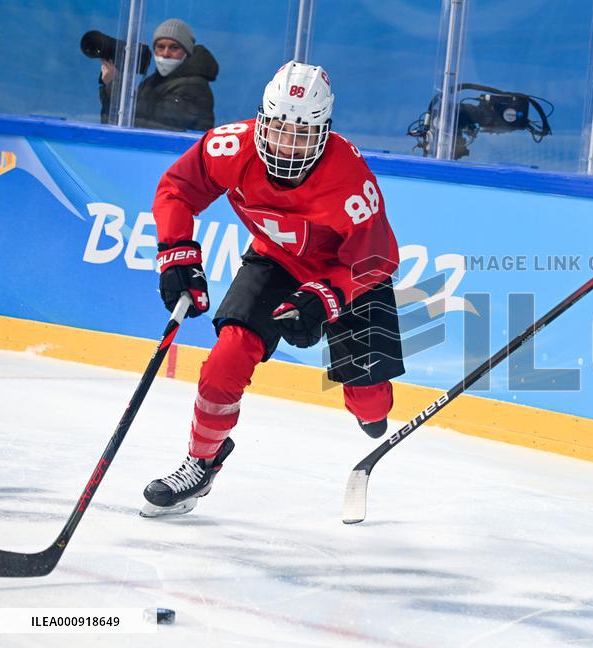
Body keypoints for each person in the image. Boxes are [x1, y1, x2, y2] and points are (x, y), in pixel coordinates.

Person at [141, 60, 404, 517]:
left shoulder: (350, 180)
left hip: (346, 272)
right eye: (280, 128)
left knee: (370, 405)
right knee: (228, 355)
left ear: (323, 133)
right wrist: (177, 253)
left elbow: (376, 259)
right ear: (262, 119)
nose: (287, 144)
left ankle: (369, 403)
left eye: (302, 134)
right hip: (276, 259)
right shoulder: (230, 146)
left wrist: (326, 296)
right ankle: (200, 463)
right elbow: (177, 190)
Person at [99, 18, 218, 132]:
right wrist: (111, 86)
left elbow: (160, 123)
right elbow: (114, 120)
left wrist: (114, 84)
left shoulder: (195, 86)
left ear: (186, 52)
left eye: (174, 48)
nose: (165, 53)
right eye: (160, 47)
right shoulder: (150, 83)